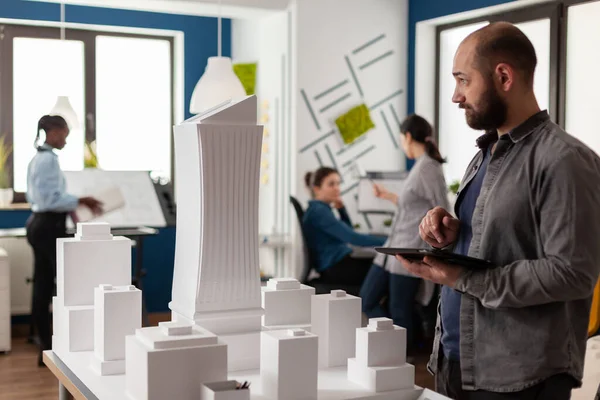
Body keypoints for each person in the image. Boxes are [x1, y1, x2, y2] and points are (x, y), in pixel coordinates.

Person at [396, 22, 600, 399]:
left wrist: (463, 278)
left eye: (462, 80)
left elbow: (572, 273)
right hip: (455, 361)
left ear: (503, 76)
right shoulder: (484, 154)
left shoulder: (565, 161)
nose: (456, 96)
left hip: (519, 377)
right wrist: (451, 232)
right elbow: (501, 240)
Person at [360, 114, 449, 355]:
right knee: (366, 299)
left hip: (409, 248)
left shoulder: (428, 168)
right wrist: (388, 196)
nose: (402, 144)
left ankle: (400, 357)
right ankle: (393, 348)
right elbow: (414, 206)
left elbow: (442, 209)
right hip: (394, 247)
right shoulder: (419, 166)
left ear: (408, 136)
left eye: (401, 139)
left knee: (400, 311)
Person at [26, 115, 102, 366]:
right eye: (65, 134)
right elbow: (50, 201)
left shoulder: (40, 158)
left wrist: (75, 203)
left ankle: (46, 349)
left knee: (43, 286)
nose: (67, 139)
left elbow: (47, 196)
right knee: (62, 286)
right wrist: (81, 200)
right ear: (53, 132)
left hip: (41, 225)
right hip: (48, 227)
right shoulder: (47, 160)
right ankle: (57, 347)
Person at [302, 167, 386, 286]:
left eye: (338, 183)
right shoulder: (319, 212)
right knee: (386, 266)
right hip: (336, 267)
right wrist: (389, 240)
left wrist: (341, 210)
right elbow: (353, 238)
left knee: (382, 263)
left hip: (336, 263)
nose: (337, 188)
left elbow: (349, 232)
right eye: (331, 184)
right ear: (317, 189)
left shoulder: (320, 209)